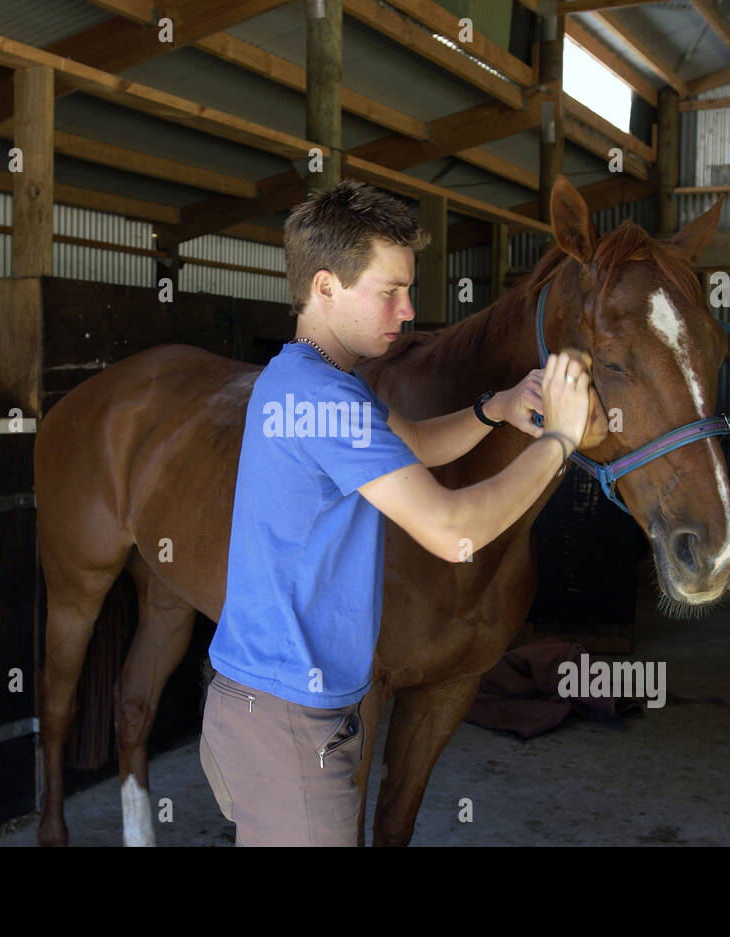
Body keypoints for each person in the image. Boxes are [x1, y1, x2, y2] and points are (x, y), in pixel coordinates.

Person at [199, 179, 598, 846]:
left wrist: (492, 408)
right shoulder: (329, 403)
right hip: (289, 729)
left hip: (269, 710)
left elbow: (413, 443)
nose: (408, 310)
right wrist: (560, 438)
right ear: (325, 287)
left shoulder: (305, 379)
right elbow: (453, 531)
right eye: (390, 290)